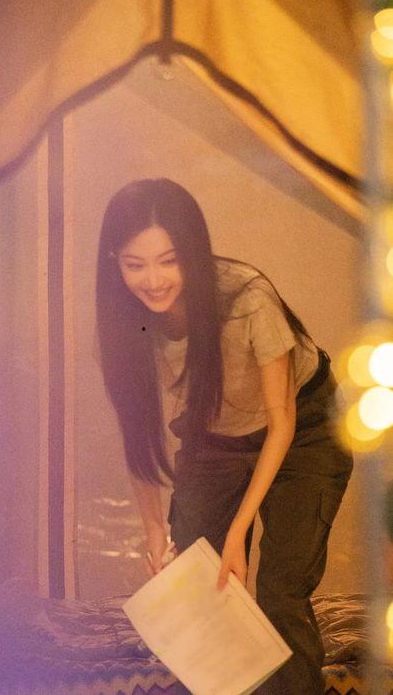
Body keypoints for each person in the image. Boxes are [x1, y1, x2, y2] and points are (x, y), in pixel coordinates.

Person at [96, 178, 353, 694]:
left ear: (192, 252)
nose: (153, 280)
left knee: (280, 591)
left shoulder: (246, 297)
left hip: (303, 429)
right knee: (198, 580)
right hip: (213, 435)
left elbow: (281, 423)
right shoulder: (123, 318)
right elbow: (137, 432)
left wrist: (238, 534)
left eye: (169, 260)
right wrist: (153, 530)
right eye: (134, 264)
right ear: (114, 262)